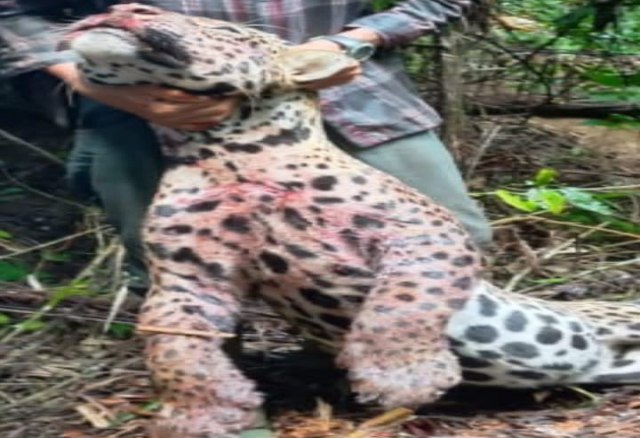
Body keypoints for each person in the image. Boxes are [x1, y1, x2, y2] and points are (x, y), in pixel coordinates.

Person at [0, 0, 491, 286]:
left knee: (449, 236)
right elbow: (15, 11)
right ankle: (212, 405)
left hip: (335, 88)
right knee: (178, 267)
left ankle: (392, 362)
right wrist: (93, 85)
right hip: (145, 103)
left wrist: (354, 41)